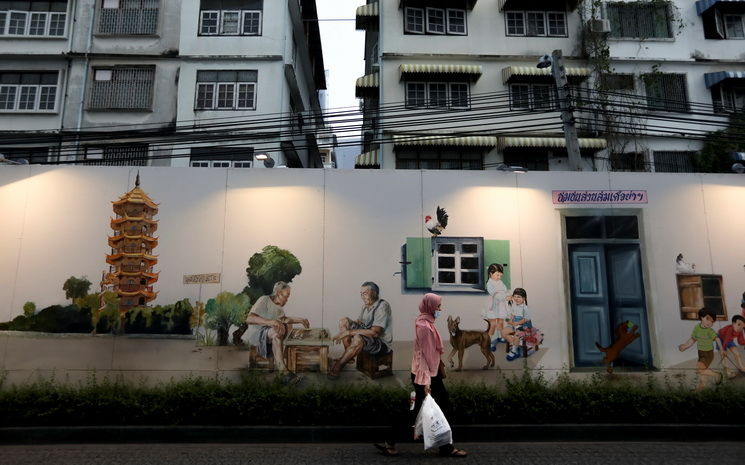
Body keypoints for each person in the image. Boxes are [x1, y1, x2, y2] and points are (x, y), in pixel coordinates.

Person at [374, 293, 467, 458]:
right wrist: (426, 383)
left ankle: (444, 446)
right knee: (420, 409)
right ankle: (392, 440)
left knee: (436, 407)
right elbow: (423, 355)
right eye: (438, 306)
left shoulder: (428, 323)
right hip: (424, 375)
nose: (440, 309)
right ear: (430, 306)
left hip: (430, 373)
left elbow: (431, 353)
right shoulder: (424, 326)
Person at [327, 281, 392, 380]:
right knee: (344, 321)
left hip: (381, 343)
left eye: (365, 293)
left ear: (374, 293)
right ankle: (349, 357)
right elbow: (359, 322)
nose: (362, 297)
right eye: (361, 294)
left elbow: (375, 333)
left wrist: (348, 332)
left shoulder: (382, 306)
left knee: (357, 338)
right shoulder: (365, 306)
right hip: (368, 336)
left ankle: (338, 366)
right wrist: (346, 327)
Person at [245, 281, 309, 373]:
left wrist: (300, 320)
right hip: (257, 334)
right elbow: (250, 319)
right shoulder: (264, 300)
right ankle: (283, 371)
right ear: (278, 293)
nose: (287, 299)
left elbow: (285, 319)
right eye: (286, 296)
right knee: (277, 330)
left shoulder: (279, 308)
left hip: (269, 333)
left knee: (285, 327)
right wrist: (273, 322)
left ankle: (285, 358)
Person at [678, 307, 722, 390]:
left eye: (712, 321)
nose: (709, 323)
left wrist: (721, 349)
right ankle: (700, 391)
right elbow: (692, 339)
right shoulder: (697, 328)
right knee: (703, 374)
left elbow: (717, 339)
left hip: (708, 353)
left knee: (699, 369)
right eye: (708, 319)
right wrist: (684, 346)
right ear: (702, 317)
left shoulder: (710, 331)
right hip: (701, 352)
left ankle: (717, 375)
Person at [481, 263, 511, 351]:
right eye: (497, 275)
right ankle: (489, 341)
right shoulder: (490, 283)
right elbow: (495, 294)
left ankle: (500, 336)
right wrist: (505, 297)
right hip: (493, 305)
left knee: (500, 322)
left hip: (501, 306)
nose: (499, 277)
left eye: (500, 275)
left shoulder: (500, 282)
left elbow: (505, 290)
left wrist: (509, 295)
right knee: (492, 324)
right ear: (491, 273)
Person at [501, 287, 532, 361]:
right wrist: (511, 321)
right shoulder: (514, 306)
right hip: (514, 324)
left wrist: (517, 323)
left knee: (517, 335)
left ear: (524, 298)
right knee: (503, 332)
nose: (516, 299)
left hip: (524, 325)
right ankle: (515, 346)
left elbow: (526, 319)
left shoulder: (526, 308)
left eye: (519, 297)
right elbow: (512, 315)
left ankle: (514, 351)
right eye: (515, 296)